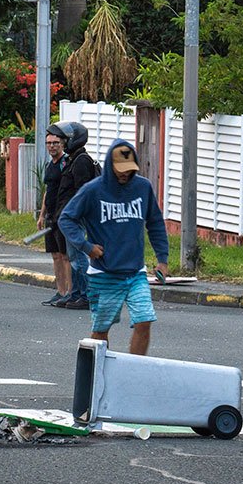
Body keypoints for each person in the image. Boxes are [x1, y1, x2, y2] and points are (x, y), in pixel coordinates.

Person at [59, 140, 169, 355]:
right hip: (104, 273)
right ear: (110, 166)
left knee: (144, 321)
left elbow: (155, 223)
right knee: (101, 331)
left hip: (135, 272)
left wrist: (162, 260)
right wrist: (86, 246)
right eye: (120, 169)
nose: (125, 174)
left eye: (129, 169)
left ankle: (134, 369)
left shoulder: (143, 187)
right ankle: (100, 370)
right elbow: (67, 219)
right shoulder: (92, 190)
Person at [50, 121, 97, 310]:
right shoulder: (73, 159)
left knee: (78, 258)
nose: (62, 142)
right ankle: (76, 293)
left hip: (75, 218)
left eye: (64, 139)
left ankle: (87, 295)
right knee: (73, 257)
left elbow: (81, 192)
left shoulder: (82, 161)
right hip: (68, 218)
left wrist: (73, 215)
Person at [38, 129, 70, 306]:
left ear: (62, 144)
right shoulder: (49, 165)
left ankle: (70, 292)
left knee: (65, 255)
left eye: (55, 143)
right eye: (49, 143)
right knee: (55, 255)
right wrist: (42, 215)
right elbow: (47, 191)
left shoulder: (66, 163)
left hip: (62, 216)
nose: (52, 146)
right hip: (50, 216)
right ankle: (60, 291)